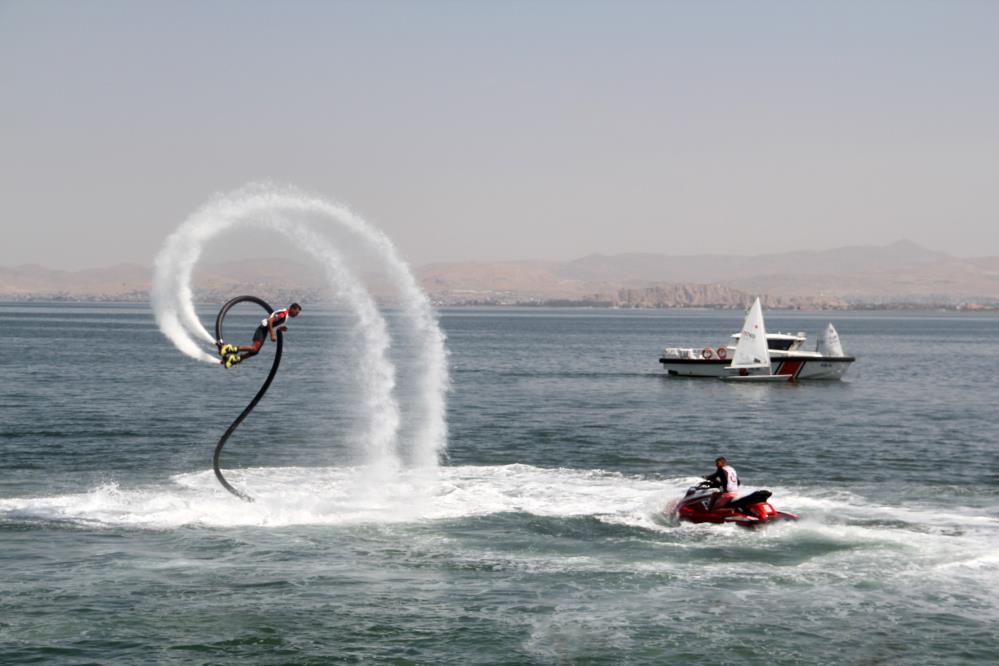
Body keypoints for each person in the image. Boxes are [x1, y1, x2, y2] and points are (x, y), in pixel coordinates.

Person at [219, 302, 302, 368]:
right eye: (296, 312)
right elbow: (270, 321)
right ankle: (229, 348)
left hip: (264, 330)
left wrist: (280, 328)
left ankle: (234, 359)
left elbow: (274, 323)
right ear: (292, 308)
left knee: (255, 352)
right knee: (254, 348)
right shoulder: (283, 314)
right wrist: (272, 334)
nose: (297, 314)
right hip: (262, 329)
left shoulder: (285, 316)